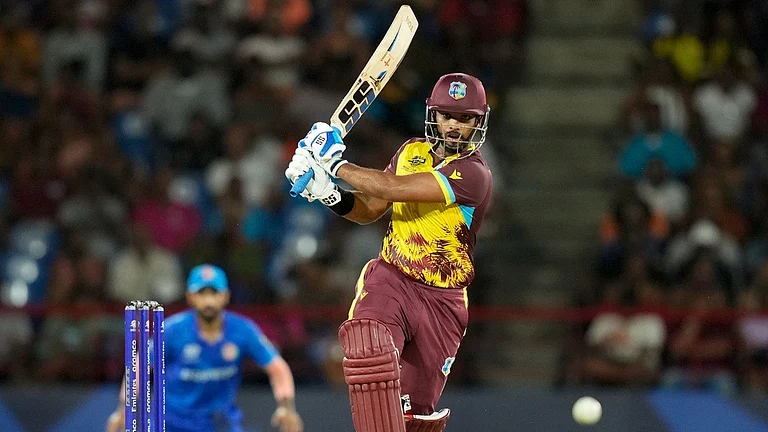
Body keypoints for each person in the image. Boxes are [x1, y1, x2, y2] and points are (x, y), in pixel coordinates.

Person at [285, 73, 493, 432]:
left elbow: (393, 188)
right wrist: (328, 193)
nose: (455, 126)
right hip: (392, 279)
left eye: (466, 118)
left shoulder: (474, 174)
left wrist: (334, 165)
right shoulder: (410, 151)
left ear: (479, 121)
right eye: (447, 115)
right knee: (370, 348)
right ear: (433, 114)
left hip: (442, 303)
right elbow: (370, 208)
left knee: (412, 420)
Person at [106, 264, 303, 432]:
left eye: (214, 293)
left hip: (221, 424)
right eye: (201, 293)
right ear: (190, 297)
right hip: (174, 424)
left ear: (225, 296)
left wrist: (287, 407)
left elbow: (278, 369)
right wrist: (123, 408)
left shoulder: (243, 330)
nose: (208, 301)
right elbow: (139, 368)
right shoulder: (171, 330)